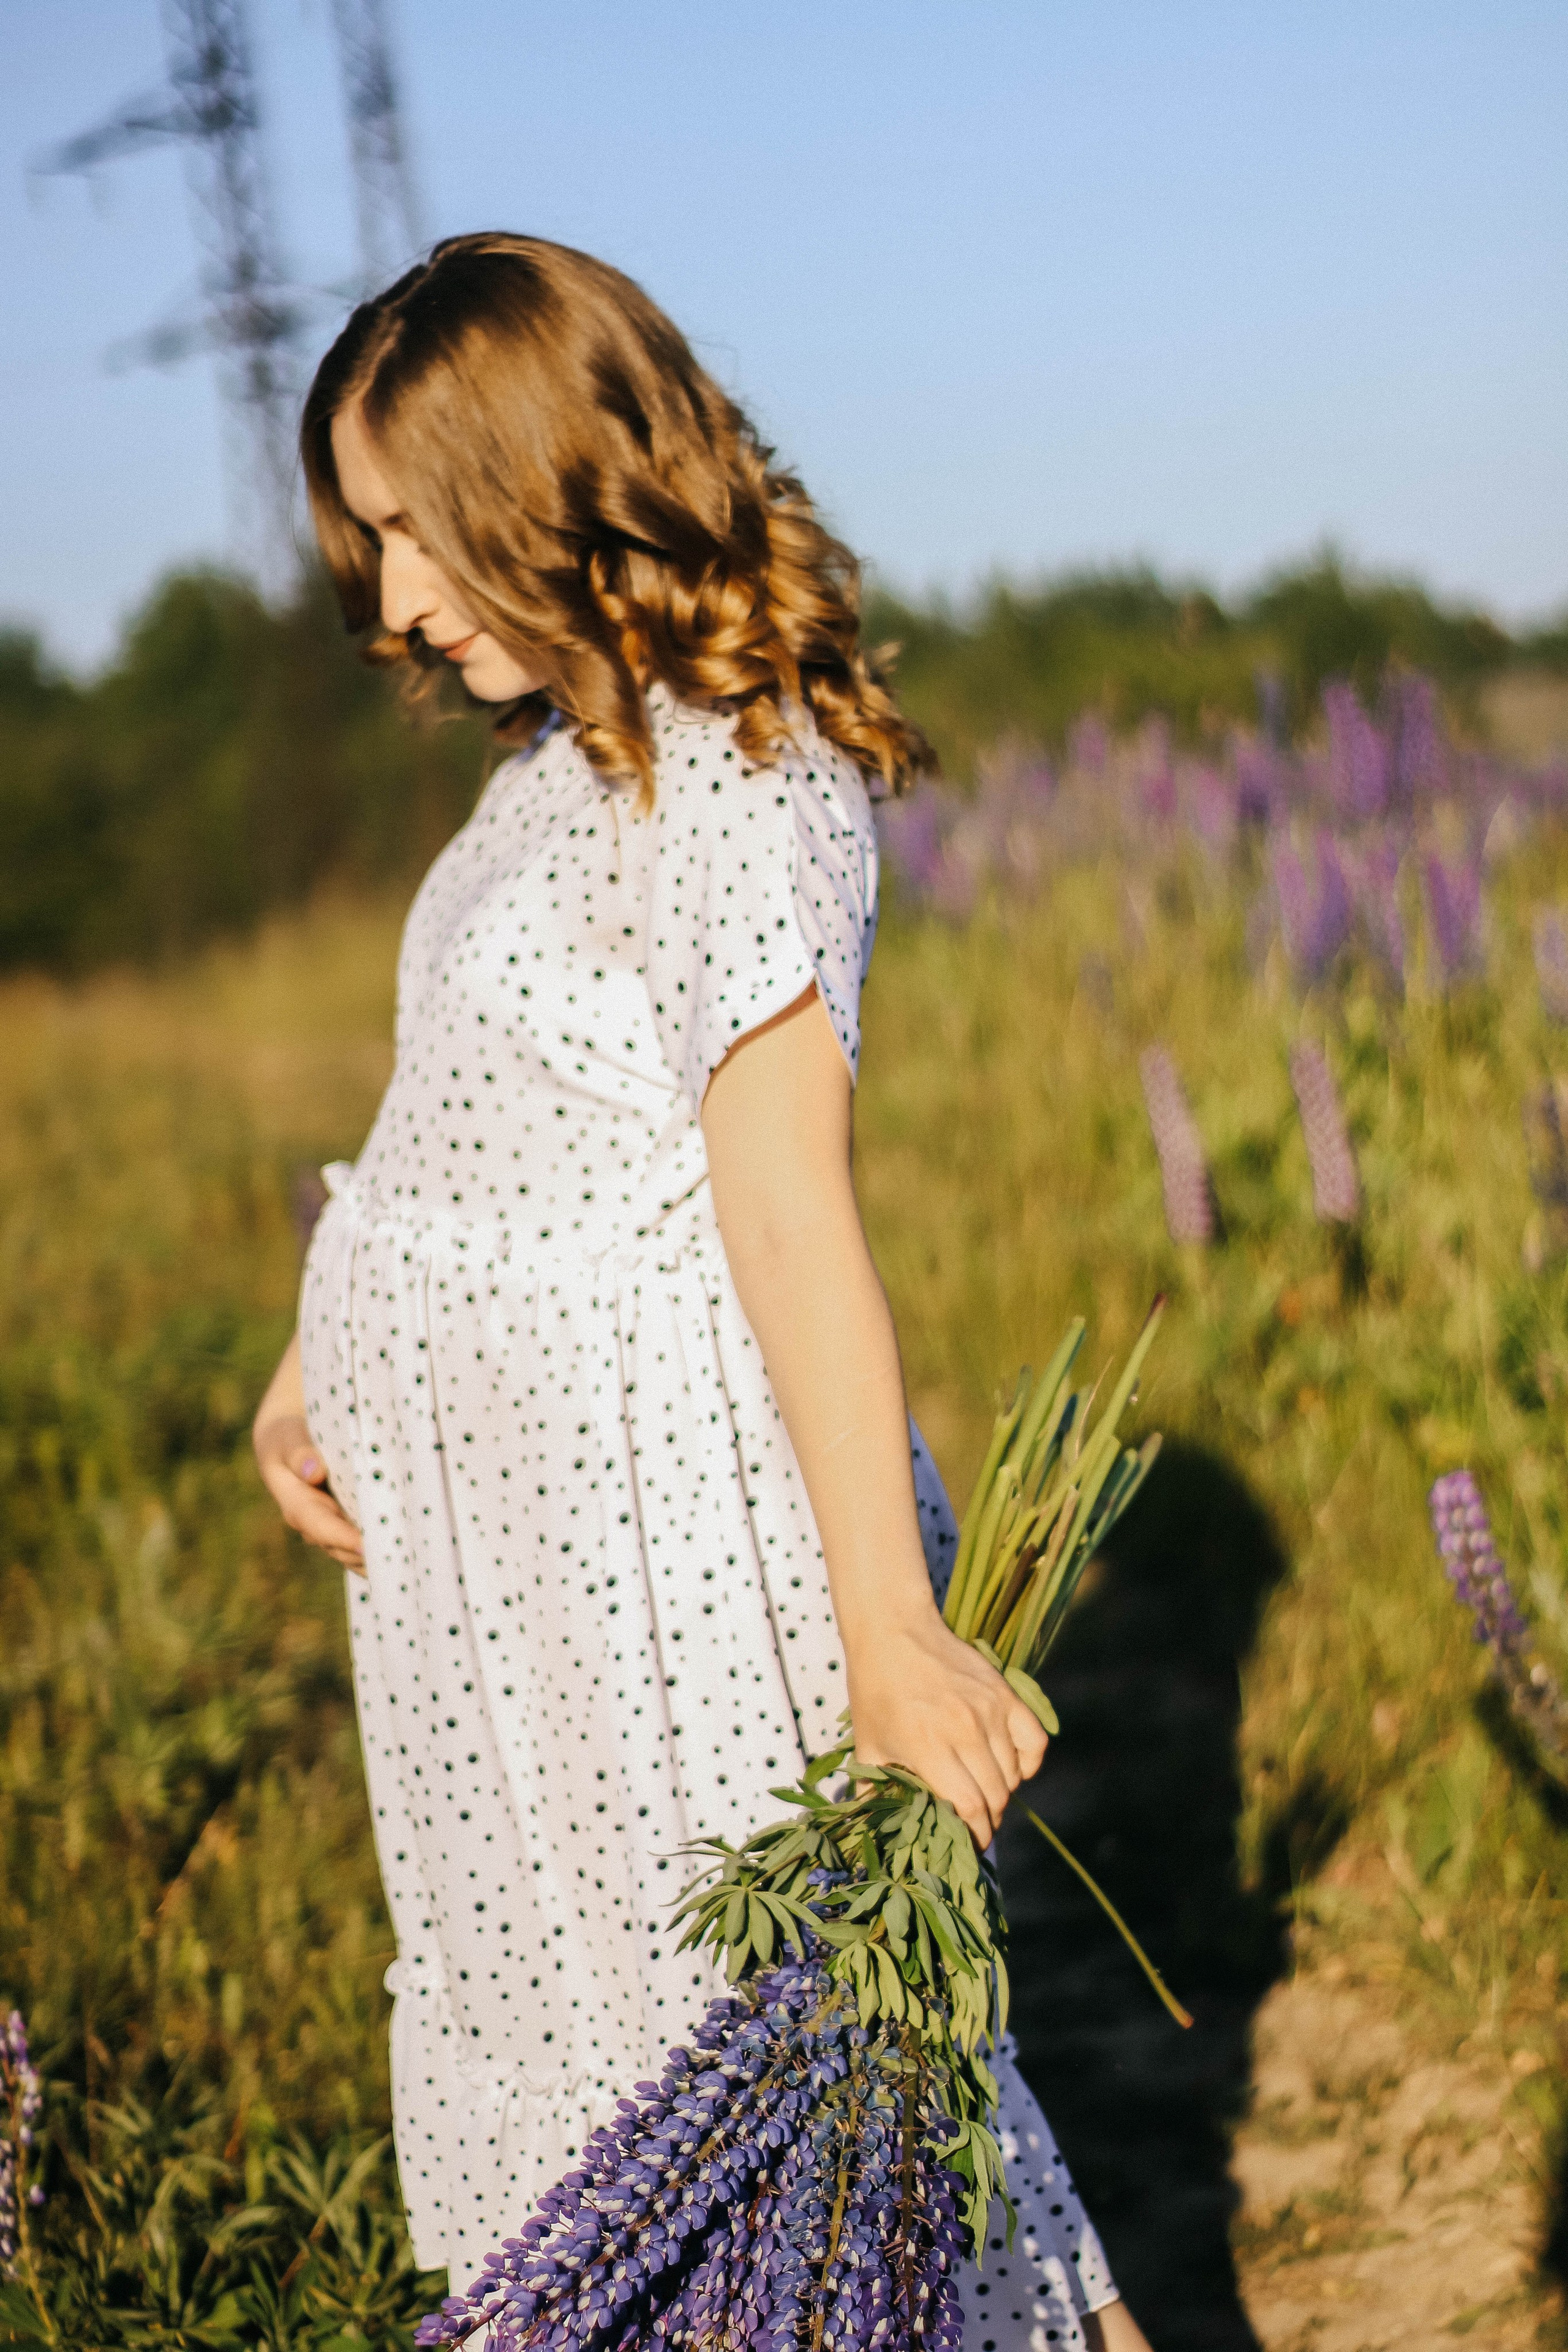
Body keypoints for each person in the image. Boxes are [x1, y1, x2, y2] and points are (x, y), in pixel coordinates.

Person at [252, 233, 1153, 2352]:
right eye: (366, 541)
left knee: (822, 2147)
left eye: (407, 526)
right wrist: (326, 1345)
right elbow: (478, 1115)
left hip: (662, 1596)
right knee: (639, 2156)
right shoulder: (549, 784)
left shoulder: (741, 777)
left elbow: (784, 1216)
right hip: (509, 1621)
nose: (386, 599)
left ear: (542, 470)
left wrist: (888, 1632)